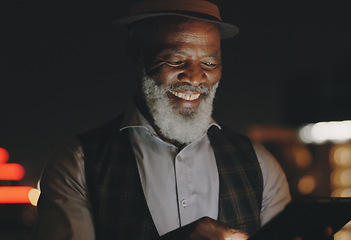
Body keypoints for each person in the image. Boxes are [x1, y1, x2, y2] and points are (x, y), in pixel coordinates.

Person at [33, 0, 292, 239]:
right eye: (177, 60)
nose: (195, 77)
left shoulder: (260, 165)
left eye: (210, 64)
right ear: (135, 52)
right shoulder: (77, 165)